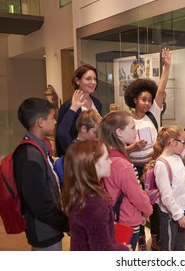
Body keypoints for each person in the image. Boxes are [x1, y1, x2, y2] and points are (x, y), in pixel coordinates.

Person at [124, 47, 171, 250]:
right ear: (134, 99)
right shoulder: (125, 120)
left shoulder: (153, 115)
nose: (147, 103)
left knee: (155, 204)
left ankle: (157, 238)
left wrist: (167, 66)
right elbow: (118, 148)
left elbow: (160, 90)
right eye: (143, 99)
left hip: (152, 166)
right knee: (137, 203)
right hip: (133, 167)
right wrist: (133, 146)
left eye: (149, 100)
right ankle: (141, 238)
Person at [145, 99, 185, 251]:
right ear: (172, 142)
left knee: (180, 245)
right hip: (171, 215)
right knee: (169, 247)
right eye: (182, 142)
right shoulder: (161, 164)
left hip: (183, 208)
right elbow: (166, 196)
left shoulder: (177, 154)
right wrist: (178, 215)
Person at [14, 97, 69, 251]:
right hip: (44, 230)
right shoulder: (30, 156)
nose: (55, 122)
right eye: (53, 118)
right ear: (41, 122)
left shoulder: (39, 148)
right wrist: (66, 224)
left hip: (49, 227)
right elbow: (41, 205)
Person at [61, 139, 131, 251]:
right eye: (106, 158)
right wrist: (124, 249)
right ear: (92, 164)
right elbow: (102, 250)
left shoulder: (80, 194)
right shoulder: (95, 204)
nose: (110, 162)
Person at [98, 110, 153, 251]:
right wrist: (147, 210)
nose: (136, 131)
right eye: (133, 127)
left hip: (114, 216)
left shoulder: (106, 157)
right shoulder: (122, 165)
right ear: (119, 132)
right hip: (126, 219)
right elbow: (136, 195)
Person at [54, 93, 102, 188]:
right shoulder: (74, 147)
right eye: (95, 132)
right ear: (84, 129)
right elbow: (62, 133)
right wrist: (74, 108)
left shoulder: (94, 145)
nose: (98, 137)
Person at [55, 64, 102, 156]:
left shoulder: (97, 103)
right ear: (77, 81)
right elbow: (61, 135)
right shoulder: (67, 106)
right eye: (88, 79)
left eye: (95, 79)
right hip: (77, 155)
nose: (93, 82)